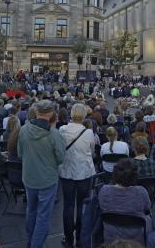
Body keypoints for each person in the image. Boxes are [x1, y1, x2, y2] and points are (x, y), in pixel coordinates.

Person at [17, 100, 65, 248]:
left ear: (36, 112)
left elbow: (20, 154)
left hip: (29, 177)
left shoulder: (24, 130)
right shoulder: (54, 134)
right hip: (47, 180)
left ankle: (31, 240)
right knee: (43, 216)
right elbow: (61, 158)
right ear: (51, 114)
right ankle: (35, 245)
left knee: (31, 210)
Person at [58, 103, 96, 248]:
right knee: (81, 205)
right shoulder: (88, 132)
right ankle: (80, 236)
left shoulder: (62, 130)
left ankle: (68, 238)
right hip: (84, 172)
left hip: (67, 171)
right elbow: (92, 151)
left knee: (68, 205)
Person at [98, 159, 152, 244]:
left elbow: (102, 207)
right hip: (136, 241)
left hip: (111, 240)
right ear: (134, 176)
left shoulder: (104, 191)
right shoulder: (141, 192)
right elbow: (147, 209)